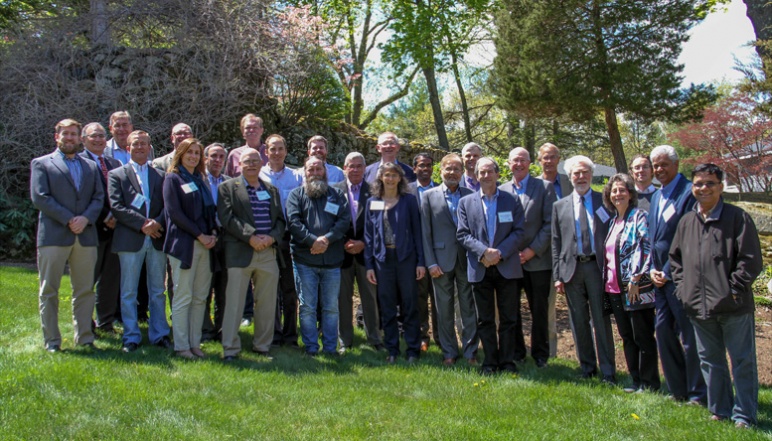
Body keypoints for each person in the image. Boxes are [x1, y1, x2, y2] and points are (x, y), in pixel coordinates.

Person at [670, 163, 763, 429]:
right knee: (711, 361)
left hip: (733, 307)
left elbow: (750, 260)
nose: (703, 188)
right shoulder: (687, 221)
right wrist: (683, 289)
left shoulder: (737, 218)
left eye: (709, 183)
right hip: (698, 307)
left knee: (742, 361)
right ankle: (720, 409)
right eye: (698, 183)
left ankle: (744, 415)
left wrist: (733, 290)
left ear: (720, 187)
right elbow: (675, 259)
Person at [31, 119, 103, 352]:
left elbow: (98, 198)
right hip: (54, 236)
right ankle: (52, 341)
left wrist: (85, 219)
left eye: (74, 134)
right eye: (65, 134)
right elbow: (40, 197)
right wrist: (69, 219)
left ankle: (84, 337)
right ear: (57, 136)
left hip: (85, 236)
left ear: (80, 138)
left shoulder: (90, 166)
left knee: (84, 290)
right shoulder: (42, 164)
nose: (70, 138)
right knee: (49, 290)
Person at [648, 145, 707, 404]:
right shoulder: (656, 197)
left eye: (664, 165)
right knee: (662, 331)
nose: (659, 170)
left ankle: (698, 392)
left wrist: (669, 271)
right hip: (659, 279)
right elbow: (654, 239)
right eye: (656, 165)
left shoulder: (687, 193)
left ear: (676, 164)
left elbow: (687, 237)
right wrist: (652, 268)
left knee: (689, 336)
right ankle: (677, 389)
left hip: (682, 277)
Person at [457, 157, 525, 375]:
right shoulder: (466, 203)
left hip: (507, 266)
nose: (486, 176)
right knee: (484, 319)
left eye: (489, 172)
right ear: (476, 176)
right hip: (480, 267)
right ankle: (490, 362)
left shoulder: (511, 200)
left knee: (508, 318)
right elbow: (463, 234)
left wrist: (499, 253)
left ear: (497, 174)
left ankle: (507, 362)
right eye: (481, 172)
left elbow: (519, 231)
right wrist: (484, 252)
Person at [551, 155, 616, 383]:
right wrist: (558, 275)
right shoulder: (559, 207)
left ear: (592, 174)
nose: (581, 177)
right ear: (570, 177)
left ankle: (608, 371)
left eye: (584, 172)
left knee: (601, 320)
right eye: (576, 174)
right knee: (578, 322)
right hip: (572, 270)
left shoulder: (605, 202)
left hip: (598, 269)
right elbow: (556, 243)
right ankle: (587, 368)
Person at [108, 130, 171, 353]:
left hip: (156, 239)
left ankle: (160, 334)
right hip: (130, 238)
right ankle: (131, 336)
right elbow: (117, 206)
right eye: (136, 144)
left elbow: (168, 205)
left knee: (157, 290)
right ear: (128, 149)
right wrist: (143, 224)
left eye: (144, 144)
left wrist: (156, 223)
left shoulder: (161, 175)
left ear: (149, 148)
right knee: (128, 291)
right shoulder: (117, 174)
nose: (140, 147)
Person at [217, 148, 283, 361]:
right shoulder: (227, 187)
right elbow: (227, 218)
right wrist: (251, 236)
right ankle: (230, 348)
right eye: (247, 161)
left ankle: (262, 346)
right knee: (234, 303)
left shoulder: (271, 189)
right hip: (240, 251)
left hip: (267, 253)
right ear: (239, 164)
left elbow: (280, 221)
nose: (252, 164)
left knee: (267, 303)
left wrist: (271, 238)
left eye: (256, 160)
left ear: (262, 162)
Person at [600, 173, 660, 393]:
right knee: (627, 337)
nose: (618, 194)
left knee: (642, 336)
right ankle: (636, 380)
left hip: (636, 288)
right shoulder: (613, 222)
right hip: (614, 289)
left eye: (622, 190)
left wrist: (636, 278)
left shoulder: (639, 217)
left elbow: (646, 247)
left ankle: (650, 382)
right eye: (614, 191)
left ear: (631, 193)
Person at [287, 157, 351, 356]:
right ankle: (311, 347)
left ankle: (330, 348)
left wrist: (326, 240)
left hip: (332, 261)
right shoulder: (295, 195)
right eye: (311, 169)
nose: (315, 172)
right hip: (305, 260)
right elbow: (294, 222)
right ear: (305, 172)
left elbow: (343, 221)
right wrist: (312, 241)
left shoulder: (337, 195)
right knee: (307, 307)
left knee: (331, 308)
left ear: (325, 171)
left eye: (318, 168)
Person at [500, 147, 556, 368]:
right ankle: (517, 352)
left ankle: (541, 354)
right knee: (511, 309)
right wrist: (510, 252)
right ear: (508, 163)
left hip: (538, 261)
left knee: (539, 310)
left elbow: (550, 223)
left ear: (530, 163)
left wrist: (532, 250)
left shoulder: (544, 188)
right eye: (515, 160)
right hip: (510, 262)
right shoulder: (501, 189)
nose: (519, 164)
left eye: (523, 160)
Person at [163, 138, 218, 359]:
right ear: (180, 154)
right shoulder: (172, 179)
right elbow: (175, 214)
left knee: (200, 297)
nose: (194, 156)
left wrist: (212, 234)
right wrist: (199, 235)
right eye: (189, 152)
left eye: (197, 153)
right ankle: (181, 346)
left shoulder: (200, 180)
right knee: (183, 296)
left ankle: (195, 344)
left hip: (205, 245)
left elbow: (209, 212)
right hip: (184, 246)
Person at [420, 153, 478, 366]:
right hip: (440, 262)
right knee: (443, 310)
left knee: (468, 308)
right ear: (440, 171)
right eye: (448, 168)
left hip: (466, 260)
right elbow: (425, 232)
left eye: (456, 169)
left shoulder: (470, 194)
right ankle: (449, 352)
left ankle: (471, 351)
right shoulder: (428, 196)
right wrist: (431, 262)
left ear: (462, 172)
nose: (452, 172)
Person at [365, 162, 425, 363]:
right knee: (387, 306)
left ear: (400, 178)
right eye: (386, 175)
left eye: (394, 175)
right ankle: (392, 349)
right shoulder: (373, 201)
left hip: (406, 259)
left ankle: (412, 350)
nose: (390, 179)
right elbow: (369, 236)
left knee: (409, 305)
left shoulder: (408, 201)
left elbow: (417, 232)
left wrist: (420, 262)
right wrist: (370, 266)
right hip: (382, 260)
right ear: (380, 177)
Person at [334, 152, 383, 354]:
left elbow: (380, 223)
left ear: (365, 169)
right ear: (344, 168)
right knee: (342, 299)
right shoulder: (334, 192)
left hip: (367, 254)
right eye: (351, 166)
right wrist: (345, 242)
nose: (354, 170)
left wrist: (363, 243)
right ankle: (345, 340)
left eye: (358, 166)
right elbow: (330, 220)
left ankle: (375, 338)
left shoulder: (375, 192)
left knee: (370, 298)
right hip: (341, 253)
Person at [259, 134, 303, 347]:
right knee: (269, 290)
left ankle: (291, 335)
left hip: (289, 238)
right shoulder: (258, 176)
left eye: (280, 149)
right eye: (272, 149)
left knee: (290, 290)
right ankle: (274, 335)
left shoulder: (296, 178)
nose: (276, 153)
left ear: (286, 151)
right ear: (265, 152)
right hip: (266, 240)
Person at [79, 122, 122, 334]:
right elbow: (83, 195)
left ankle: (106, 322)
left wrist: (117, 215)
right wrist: (105, 215)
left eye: (101, 136)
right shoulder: (79, 162)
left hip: (115, 230)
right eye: (93, 136)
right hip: (92, 228)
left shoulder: (113, 163)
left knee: (110, 279)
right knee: (88, 279)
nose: (98, 140)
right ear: (83, 139)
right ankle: (85, 324)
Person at [537, 142, 571, 359]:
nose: (549, 161)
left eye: (553, 157)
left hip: (569, 255)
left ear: (559, 159)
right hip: (540, 256)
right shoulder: (533, 185)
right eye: (545, 157)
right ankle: (548, 355)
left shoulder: (570, 183)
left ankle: (583, 355)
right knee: (546, 308)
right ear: (539, 160)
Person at [409, 152, 439, 350]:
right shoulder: (406, 191)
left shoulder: (441, 190)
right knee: (419, 296)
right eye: (421, 165)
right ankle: (422, 336)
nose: (425, 168)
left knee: (438, 297)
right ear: (414, 168)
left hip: (438, 252)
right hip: (414, 253)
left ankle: (441, 336)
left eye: (428, 165)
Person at [201, 143, 229, 342]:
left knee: (224, 287)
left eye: (221, 157)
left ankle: (222, 328)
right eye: (213, 156)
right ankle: (204, 329)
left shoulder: (231, 183)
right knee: (204, 286)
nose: (217, 160)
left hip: (226, 240)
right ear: (205, 159)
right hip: (204, 239)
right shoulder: (198, 181)